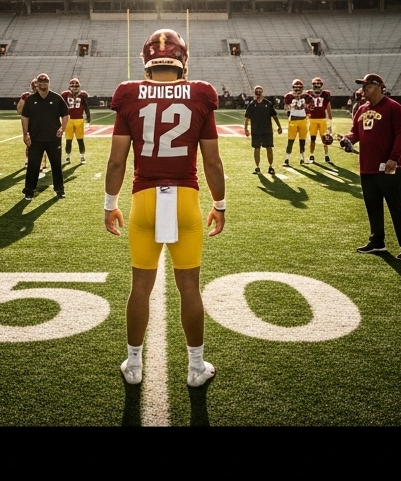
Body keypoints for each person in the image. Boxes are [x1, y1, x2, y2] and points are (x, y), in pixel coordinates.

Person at [105, 28, 224, 388]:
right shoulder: (201, 93)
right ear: (182, 59)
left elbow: (115, 162)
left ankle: (134, 364)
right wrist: (220, 204)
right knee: (190, 288)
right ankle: (196, 368)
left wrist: (110, 204)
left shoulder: (128, 93)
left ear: (146, 60)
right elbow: (213, 163)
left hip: (144, 200)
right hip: (185, 200)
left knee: (140, 287)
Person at [338, 73, 401, 262]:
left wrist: (394, 158)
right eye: (363, 86)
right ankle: (377, 241)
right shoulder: (361, 109)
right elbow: (355, 133)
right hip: (367, 167)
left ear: (379, 87)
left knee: (397, 207)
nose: (364, 90)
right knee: (373, 206)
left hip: (389, 166)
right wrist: (346, 140)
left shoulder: (393, 107)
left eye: (368, 86)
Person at [20, 73, 69, 200]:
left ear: (49, 82)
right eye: (40, 81)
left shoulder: (56, 98)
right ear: (37, 83)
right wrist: (25, 134)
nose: (43, 83)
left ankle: (59, 189)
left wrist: (62, 128)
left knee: (56, 165)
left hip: (53, 138)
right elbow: (25, 117)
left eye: (45, 81)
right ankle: (29, 190)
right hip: (36, 139)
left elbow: (65, 114)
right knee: (33, 165)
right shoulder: (30, 99)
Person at [244, 85, 282, 174]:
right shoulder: (252, 105)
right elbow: (247, 118)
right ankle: (257, 167)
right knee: (256, 148)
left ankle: (270, 167)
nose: (258, 93)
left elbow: (274, 116)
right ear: (254, 93)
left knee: (269, 147)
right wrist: (246, 128)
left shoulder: (267, 103)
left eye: (259, 91)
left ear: (262, 92)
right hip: (256, 130)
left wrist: (279, 126)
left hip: (267, 130)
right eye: (256, 91)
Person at [17, 79, 47, 175]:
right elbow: (19, 110)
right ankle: (28, 160)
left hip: (43, 123)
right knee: (29, 143)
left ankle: (41, 163)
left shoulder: (47, 95)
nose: (35, 88)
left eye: (37, 86)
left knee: (43, 144)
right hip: (31, 123)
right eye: (34, 86)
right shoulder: (27, 96)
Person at [62, 77, 90, 164]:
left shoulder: (82, 95)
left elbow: (86, 107)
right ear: (70, 87)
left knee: (80, 139)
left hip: (79, 120)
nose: (75, 88)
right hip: (69, 120)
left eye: (76, 86)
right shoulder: (65, 94)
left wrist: (88, 118)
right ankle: (68, 157)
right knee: (68, 140)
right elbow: (62, 107)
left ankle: (82, 157)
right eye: (73, 86)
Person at [307, 76, 334, 164]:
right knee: (312, 138)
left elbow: (328, 106)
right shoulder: (308, 94)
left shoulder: (326, 94)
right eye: (315, 85)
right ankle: (312, 155)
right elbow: (306, 106)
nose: (317, 87)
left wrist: (330, 119)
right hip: (312, 120)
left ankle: (326, 154)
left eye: (319, 85)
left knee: (325, 138)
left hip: (322, 119)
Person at [283, 78, 310, 166]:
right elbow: (285, 108)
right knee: (290, 140)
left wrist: (307, 108)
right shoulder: (288, 96)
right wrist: (292, 105)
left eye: (299, 87)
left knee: (302, 140)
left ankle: (302, 158)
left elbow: (311, 106)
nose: (298, 89)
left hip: (303, 119)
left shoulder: (306, 96)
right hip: (293, 120)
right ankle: (287, 159)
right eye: (296, 87)